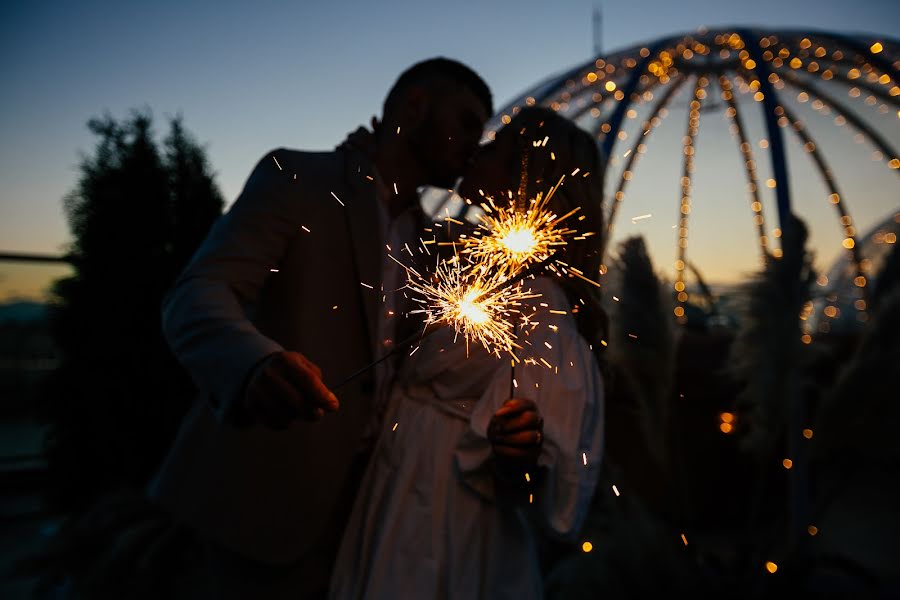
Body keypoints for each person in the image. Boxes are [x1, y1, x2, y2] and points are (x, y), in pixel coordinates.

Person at [148, 57, 492, 599]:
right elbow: (198, 292)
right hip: (264, 502)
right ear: (415, 107)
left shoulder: (431, 238)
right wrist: (251, 363)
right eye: (468, 121)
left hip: (372, 515)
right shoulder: (298, 179)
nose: (476, 142)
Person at [329, 106, 608, 599]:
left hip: (442, 511)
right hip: (397, 481)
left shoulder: (540, 301)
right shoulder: (464, 256)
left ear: (529, 176)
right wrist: (371, 171)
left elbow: (543, 487)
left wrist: (515, 453)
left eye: (496, 148)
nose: (477, 151)